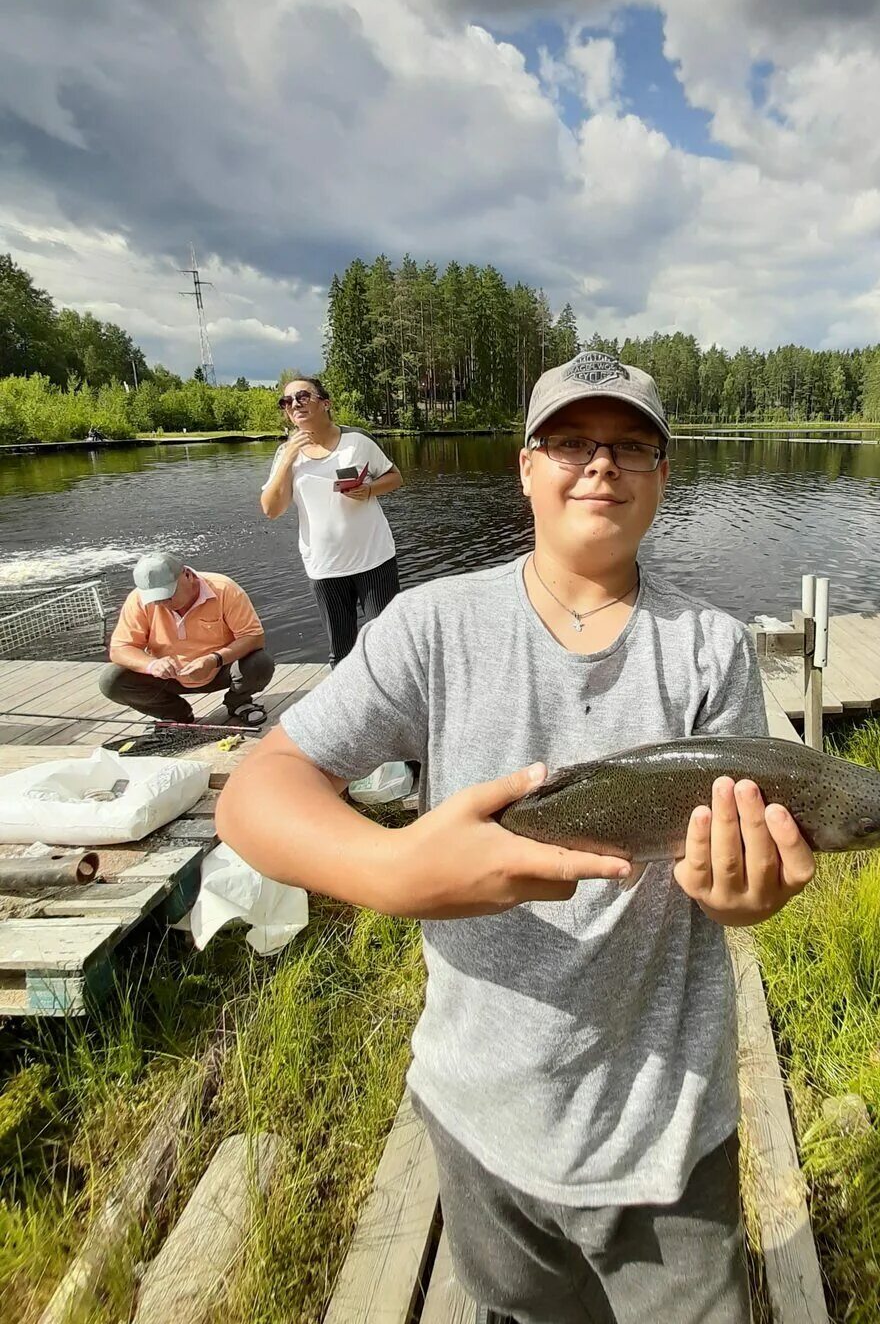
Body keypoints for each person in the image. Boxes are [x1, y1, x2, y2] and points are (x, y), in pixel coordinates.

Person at [217, 350, 815, 1324]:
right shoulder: (431, 627)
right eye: (571, 441)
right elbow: (257, 793)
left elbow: (726, 866)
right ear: (525, 466)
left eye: (631, 446)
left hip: (664, 1131)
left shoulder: (711, 648)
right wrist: (395, 868)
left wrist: (742, 892)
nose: (601, 465)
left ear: (664, 474)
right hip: (479, 1112)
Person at [261, 375, 403, 666]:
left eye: (302, 396)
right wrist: (288, 457)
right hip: (325, 567)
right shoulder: (285, 455)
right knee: (342, 652)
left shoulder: (357, 441)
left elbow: (395, 477)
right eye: (286, 401)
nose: (294, 404)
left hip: (373, 559)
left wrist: (369, 490)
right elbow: (271, 509)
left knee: (387, 642)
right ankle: (350, 708)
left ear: (325, 403)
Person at [101, 551, 275, 726]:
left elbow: (253, 637)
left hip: (220, 669)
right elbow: (119, 649)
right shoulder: (138, 600)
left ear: (188, 575)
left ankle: (239, 702)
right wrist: (152, 664)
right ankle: (175, 713)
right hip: (168, 676)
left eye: (168, 595)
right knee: (112, 680)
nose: (161, 603)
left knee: (260, 662)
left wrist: (214, 659)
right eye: (155, 598)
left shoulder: (224, 588)